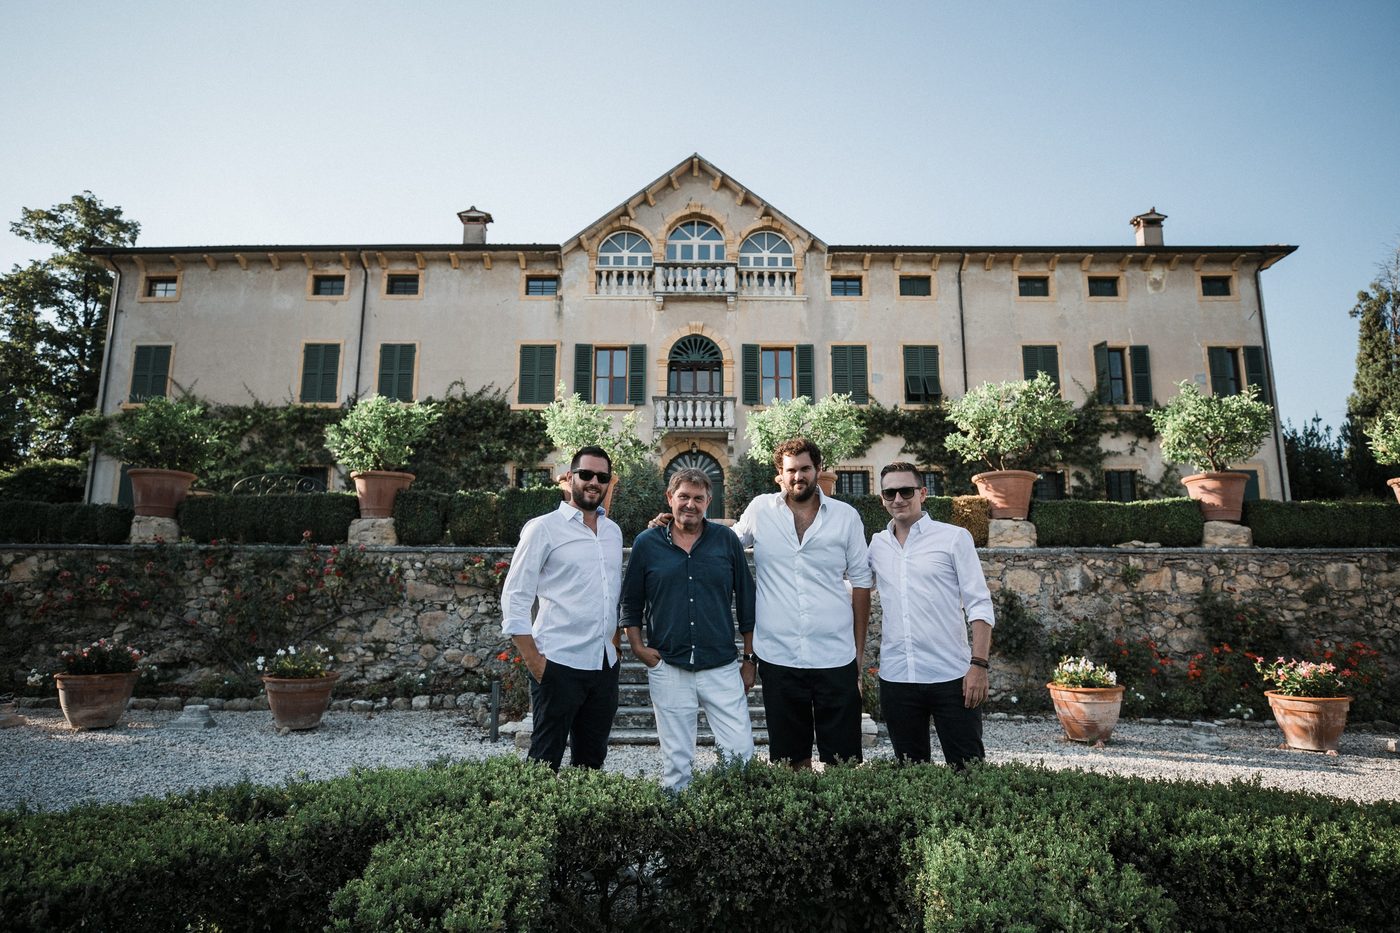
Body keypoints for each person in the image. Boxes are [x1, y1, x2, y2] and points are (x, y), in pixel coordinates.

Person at [732, 437, 872, 767]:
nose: (799, 477)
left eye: (806, 469)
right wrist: (678, 526)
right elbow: (728, 542)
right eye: (791, 470)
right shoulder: (760, 510)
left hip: (836, 654)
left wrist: (858, 655)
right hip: (779, 656)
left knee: (844, 761)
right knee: (790, 760)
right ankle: (800, 818)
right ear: (779, 475)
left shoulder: (845, 516)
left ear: (818, 470)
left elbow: (863, 585)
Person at [621, 468, 757, 791]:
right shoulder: (647, 543)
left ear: (709, 501)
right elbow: (630, 601)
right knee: (677, 763)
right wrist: (638, 648)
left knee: (741, 755)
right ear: (670, 498)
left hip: (722, 666)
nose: (690, 504)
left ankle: (731, 826)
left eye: (698, 498)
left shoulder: (726, 541)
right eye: (683, 496)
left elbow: (748, 601)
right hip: (669, 665)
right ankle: (678, 834)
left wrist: (749, 659)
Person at [500, 445, 622, 770]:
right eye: (586, 474)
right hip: (558, 665)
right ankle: (539, 822)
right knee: (544, 761)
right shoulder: (543, 528)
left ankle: (580, 822)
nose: (594, 481)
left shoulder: (612, 532)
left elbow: (610, 596)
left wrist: (616, 645)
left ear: (609, 482)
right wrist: (536, 664)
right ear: (570, 478)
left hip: (603, 667)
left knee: (592, 762)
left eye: (602, 476)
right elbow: (515, 598)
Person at [867, 461, 995, 768]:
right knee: (911, 773)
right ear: (882, 498)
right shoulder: (877, 544)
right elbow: (854, 588)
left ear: (923, 493)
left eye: (906, 490)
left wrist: (978, 666)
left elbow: (979, 604)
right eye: (889, 492)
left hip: (951, 676)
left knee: (968, 770)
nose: (898, 498)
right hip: (898, 677)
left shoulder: (953, 538)